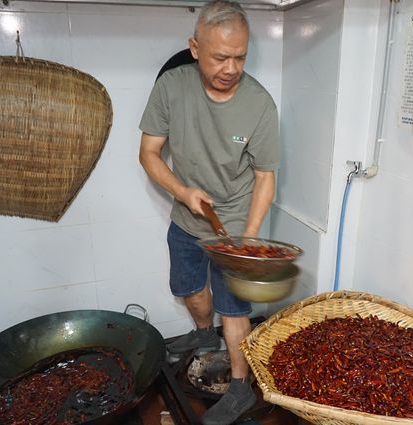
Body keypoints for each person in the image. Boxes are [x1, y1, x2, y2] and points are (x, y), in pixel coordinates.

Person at [138, 1, 278, 423]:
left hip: (234, 222)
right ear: (195, 48)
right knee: (190, 289)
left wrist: (248, 237)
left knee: (234, 310)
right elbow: (148, 153)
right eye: (220, 57)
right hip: (186, 218)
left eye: (240, 57)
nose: (231, 68)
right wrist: (182, 191)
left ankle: (241, 389)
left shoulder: (260, 105)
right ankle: (202, 335)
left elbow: (265, 178)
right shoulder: (171, 87)